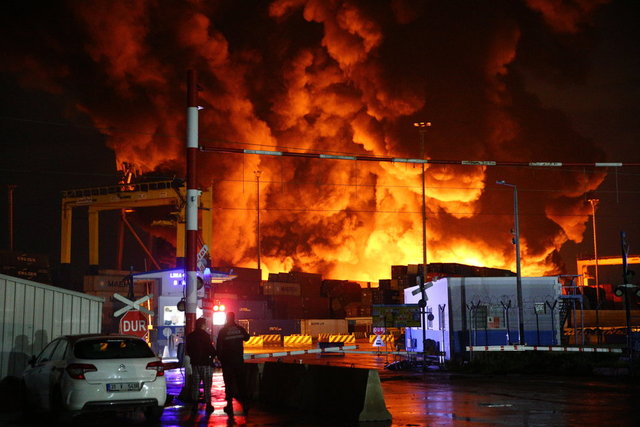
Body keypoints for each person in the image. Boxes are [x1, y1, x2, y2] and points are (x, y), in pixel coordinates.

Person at [216, 312, 250, 416]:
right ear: (234, 318)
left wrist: (221, 359)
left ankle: (229, 406)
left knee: (228, 383)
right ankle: (245, 405)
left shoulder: (223, 331)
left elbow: (219, 347)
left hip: (227, 362)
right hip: (238, 361)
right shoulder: (239, 329)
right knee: (241, 383)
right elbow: (247, 337)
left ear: (226, 318)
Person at [186, 317, 217, 413]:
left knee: (195, 384)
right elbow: (210, 349)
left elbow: (189, 350)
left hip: (195, 364)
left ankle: (195, 405)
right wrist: (213, 355)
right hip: (206, 363)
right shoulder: (206, 336)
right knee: (207, 384)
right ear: (203, 325)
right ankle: (208, 405)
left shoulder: (190, 336)